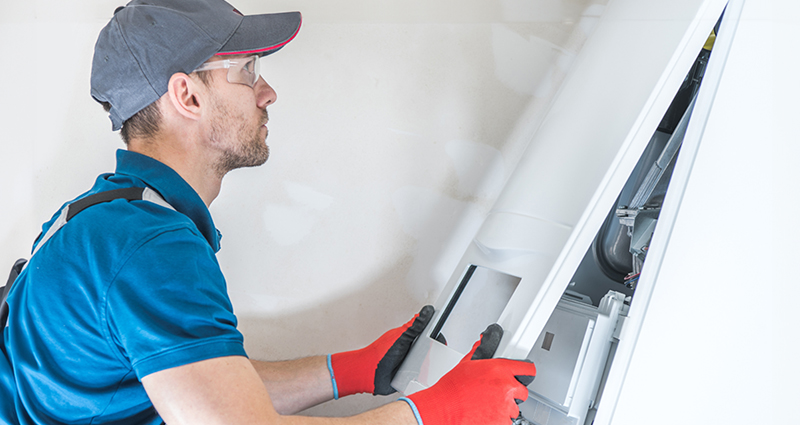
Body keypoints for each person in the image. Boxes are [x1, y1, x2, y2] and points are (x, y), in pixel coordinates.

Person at [0, 1, 537, 424]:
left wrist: (347, 371)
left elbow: (201, 387)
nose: (268, 92)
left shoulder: (102, 214)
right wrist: (431, 415)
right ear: (187, 95)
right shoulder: (149, 246)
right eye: (248, 71)